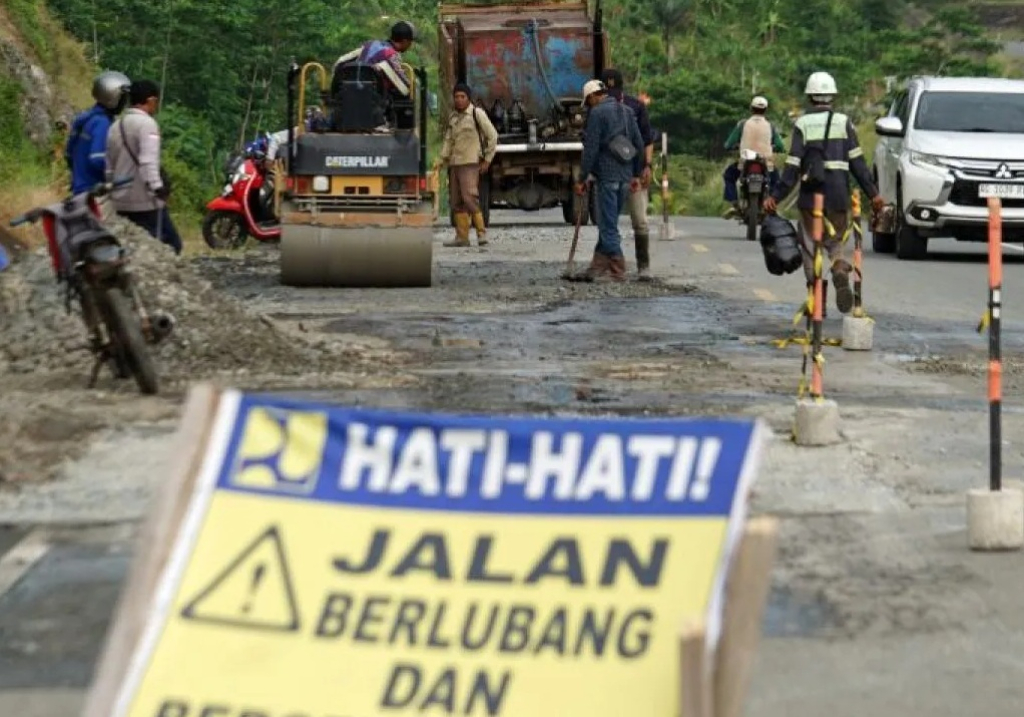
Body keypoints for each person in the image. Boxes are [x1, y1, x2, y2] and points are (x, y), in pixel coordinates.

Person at [764, 72, 885, 315]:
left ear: (810, 96)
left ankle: (817, 301)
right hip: (839, 195)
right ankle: (840, 268)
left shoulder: (802, 124)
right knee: (836, 243)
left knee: (810, 246)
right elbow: (858, 164)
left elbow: (792, 166)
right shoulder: (844, 122)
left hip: (811, 196)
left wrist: (775, 196)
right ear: (832, 96)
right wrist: (873, 194)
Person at [574, 79, 645, 281]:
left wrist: (582, 177)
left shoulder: (598, 113)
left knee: (607, 226)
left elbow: (591, 149)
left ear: (592, 96)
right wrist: (636, 174)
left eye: (588, 102)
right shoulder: (627, 112)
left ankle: (617, 267)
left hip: (606, 176)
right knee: (609, 222)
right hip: (624, 176)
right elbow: (638, 144)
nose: (589, 106)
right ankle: (597, 266)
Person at [106, 79, 182, 255]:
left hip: (119, 200)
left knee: (131, 248)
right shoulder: (147, 125)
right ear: (151, 100)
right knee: (172, 244)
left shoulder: (115, 126)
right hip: (144, 202)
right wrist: (158, 188)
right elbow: (148, 161)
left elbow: (108, 165)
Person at [600, 68, 655, 281]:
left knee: (639, 219)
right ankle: (609, 264)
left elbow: (647, 139)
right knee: (608, 221)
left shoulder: (636, 107)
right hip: (609, 171)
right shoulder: (598, 110)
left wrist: (647, 166)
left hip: (633, 171)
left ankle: (643, 265)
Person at [439, 82, 499, 248]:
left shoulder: (476, 114)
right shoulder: (453, 117)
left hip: (470, 163)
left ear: (468, 98)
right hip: (455, 164)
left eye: (462, 97)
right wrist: (442, 159)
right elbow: (449, 140)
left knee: (469, 198)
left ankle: (481, 233)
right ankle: (462, 237)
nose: (459, 100)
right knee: (456, 201)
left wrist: (487, 159)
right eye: (456, 97)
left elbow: (492, 136)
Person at [65, 71, 131, 194]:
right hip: (93, 191)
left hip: (79, 188)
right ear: (112, 98)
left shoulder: (85, 118)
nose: (124, 103)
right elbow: (97, 159)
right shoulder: (102, 123)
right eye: (122, 98)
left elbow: (69, 153)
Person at [722, 96, 785, 218]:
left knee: (729, 176)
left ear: (751, 108)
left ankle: (734, 203)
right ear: (766, 110)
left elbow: (729, 143)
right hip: (765, 162)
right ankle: (771, 205)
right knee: (776, 181)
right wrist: (777, 148)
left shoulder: (742, 124)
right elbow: (779, 145)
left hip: (745, 161)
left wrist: (731, 147)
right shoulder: (770, 126)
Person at [333, 21, 417, 98]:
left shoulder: (369, 44)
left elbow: (342, 60)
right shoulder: (391, 54)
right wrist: (412, 87)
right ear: (405, 41)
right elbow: (403, 84)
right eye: (411, 42)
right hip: (374, 97)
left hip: (351, 89)